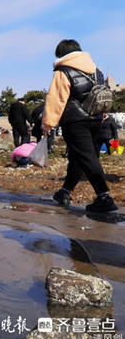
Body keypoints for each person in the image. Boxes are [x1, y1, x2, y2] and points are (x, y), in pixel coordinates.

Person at [42, 39, 117, 213]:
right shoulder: (95, 70)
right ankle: (64, 191)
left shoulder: (62, 71)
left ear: (62, 54)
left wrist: (48, 123)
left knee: (87, 157)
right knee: (79, 157)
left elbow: (56, 99)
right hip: (96, 118)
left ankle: (104, 196)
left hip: (75, 121)